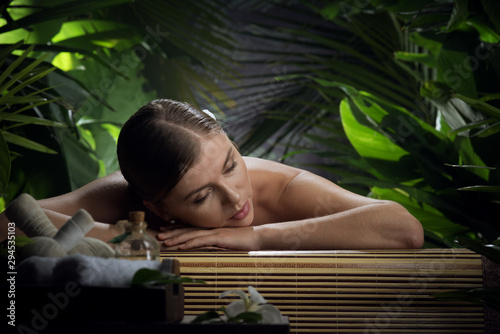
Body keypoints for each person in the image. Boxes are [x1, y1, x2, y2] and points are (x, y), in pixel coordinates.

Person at [3, 99, 424, 250]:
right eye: (201, 197)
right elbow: (7, 225)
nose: (236, 197)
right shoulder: (126, 198)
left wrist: (256, 237)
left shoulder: (281, 191)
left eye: (230, 165)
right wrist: (136, 239)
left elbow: (403, 228)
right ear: (157, 206)